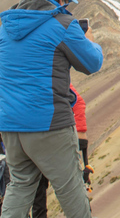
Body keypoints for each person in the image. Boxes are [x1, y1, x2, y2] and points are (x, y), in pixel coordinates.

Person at [0, 0, 103, 218]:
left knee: (20, 184)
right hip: (48, 123)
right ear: (62, 1)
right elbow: (92, 63)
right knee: (70, 187)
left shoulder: (7, 26)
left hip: (10, 125)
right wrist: (90, 42)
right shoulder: (62, 24)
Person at [31, 84, 94, 218]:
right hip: (45, 143)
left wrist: (80, 133)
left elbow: (78, 103)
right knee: (41, 191)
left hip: (53, 143)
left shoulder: (49, 78)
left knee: (68, 187)